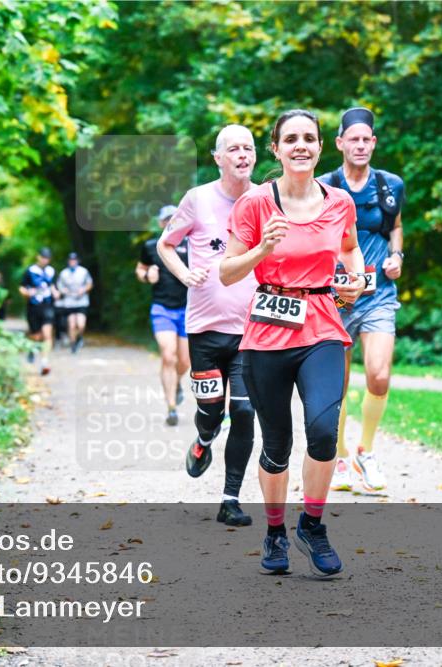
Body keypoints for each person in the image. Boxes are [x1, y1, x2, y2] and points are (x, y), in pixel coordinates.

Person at [220, 109, 367, 577]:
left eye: (309, 138)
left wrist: (356, 279)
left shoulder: (341, 201)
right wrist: (262, 249)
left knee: (324, 430)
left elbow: (348, 248)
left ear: (322, 146)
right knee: (277, 442)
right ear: (276, 149)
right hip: (267, 333)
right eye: (291, 139)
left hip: (323, 324)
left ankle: (314, 525)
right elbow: (227, 272)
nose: (300, 145)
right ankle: (275, 532)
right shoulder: (255, 204)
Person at [157, 124, 259, 527]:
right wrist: (184, 275)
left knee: (246, 411)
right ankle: (203, 440)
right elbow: (166, 244)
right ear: (218, 158)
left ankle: (230, 499)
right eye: (233, 148)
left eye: (248, 147)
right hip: (204, 328)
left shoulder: (265, 200)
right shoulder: (197, 199)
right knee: (211, 411)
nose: (242, 154)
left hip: (252, 328)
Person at [324, 107, 405, 494]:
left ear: (373, 143)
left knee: (380, 375)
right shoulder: (324, 186)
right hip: (335, 298)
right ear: (339, 143)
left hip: (378, 296)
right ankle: (338, 459)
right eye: (351, 139)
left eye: (365, 139)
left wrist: (397, 256)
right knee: (335, 385)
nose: (359, 145)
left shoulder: (391, 186)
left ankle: (365, 451)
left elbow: (397, 227)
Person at [136, 206, 189, 426]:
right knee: (168, 355)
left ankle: (176, 383)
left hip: (188, 309)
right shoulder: (151, 246)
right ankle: (171, 408)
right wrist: (147, 275)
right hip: (162, 309)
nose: (170, 222)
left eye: (174, 219)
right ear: (160, 223)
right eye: (166, 219)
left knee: (185, 362)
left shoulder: (192, 244)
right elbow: (139, 270)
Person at [19, 247, 57, 375]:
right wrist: (27, 293)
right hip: (34, 305)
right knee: (36, 336)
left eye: (47, 258)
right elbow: (22, 287)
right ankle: (32, 350)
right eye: (43, 257)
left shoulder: (51, 271)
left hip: (47, 305)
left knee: (47, 334)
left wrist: (55, 292)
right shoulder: (30, 271)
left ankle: (45, 362)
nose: (45, 260)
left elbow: (53, 285)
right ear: (38, 257)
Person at [56, 252, 93, 353]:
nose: (72, 262)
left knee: (80, 324)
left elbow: (90, 283)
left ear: (77, 261)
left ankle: (79, 337)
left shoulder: (83, 272)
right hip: (69, 302)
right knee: (71, 324)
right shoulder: (64, 273)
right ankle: (73, 343)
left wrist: (84, 289)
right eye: (71, 260)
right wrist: (64, 291)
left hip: (81, 301)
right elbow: (59, 285)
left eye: (74, 260)